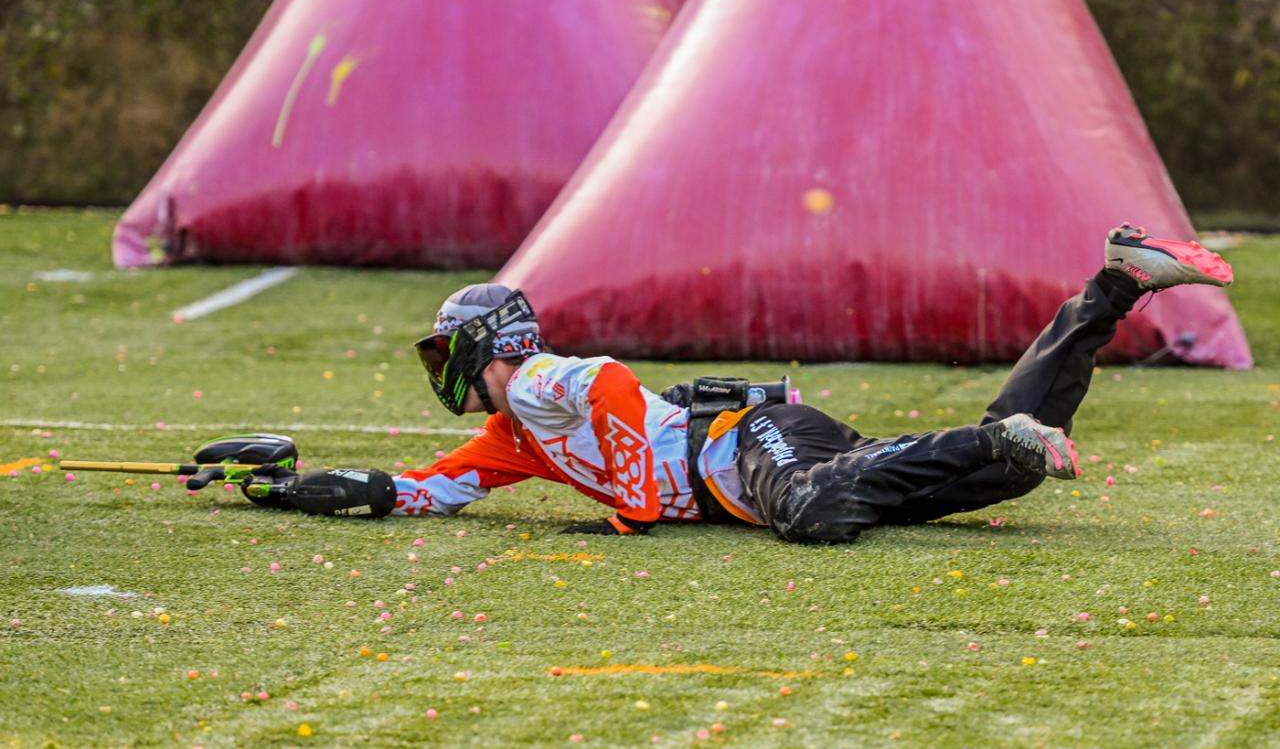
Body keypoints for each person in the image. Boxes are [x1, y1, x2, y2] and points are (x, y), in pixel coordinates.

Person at [392, 223, 1234, 543]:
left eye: (445, 352)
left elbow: (608, 381)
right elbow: (425, 490)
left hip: (746, 448)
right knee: (1005, 473)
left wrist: (636, 505)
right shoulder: (514, 436)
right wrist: (317, 487)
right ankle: (1115, 284)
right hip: (779, 450)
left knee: (810, 510)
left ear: (485, 346)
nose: (442, 369)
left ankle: (995, 435)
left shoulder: (532, 381)